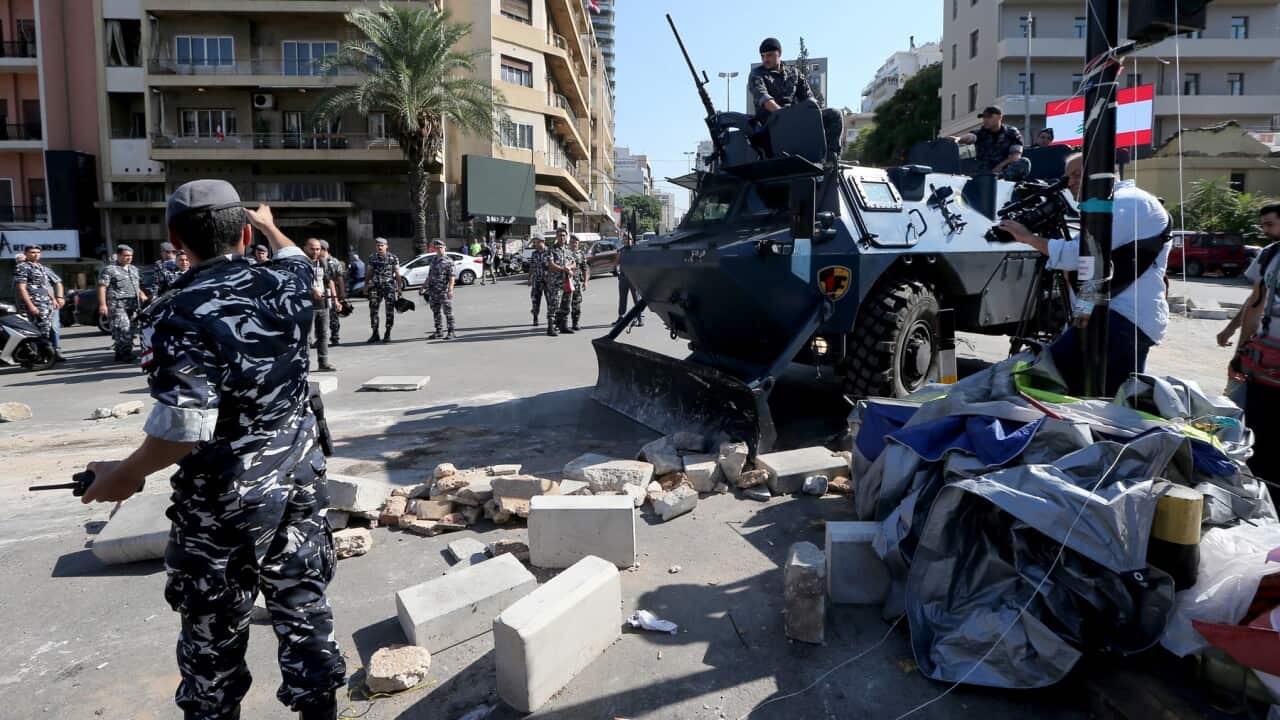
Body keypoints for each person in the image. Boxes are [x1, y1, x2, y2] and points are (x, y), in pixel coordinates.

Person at [78, 181, 345, 720]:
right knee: (303, 607)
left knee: (213, 637)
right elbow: (294, 255)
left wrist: (124, 474)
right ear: (245, 233)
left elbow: (183, 427)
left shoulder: (174, 311)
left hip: (226, 505)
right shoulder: (287, 282)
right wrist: (270, 224)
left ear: (175, 240)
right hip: (298, 482)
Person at [998, 153, 1171, 397]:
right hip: (1115, 318)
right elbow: (1088, 270)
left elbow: (1078, 255)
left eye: (1077, 174)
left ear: (1104, 173)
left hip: (1122, 319)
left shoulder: (1129, 202)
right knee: (1105, 400)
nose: (1071, 183)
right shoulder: (1118, 203)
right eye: (1068, 176)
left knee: (1048, 378)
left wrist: (1028, 238)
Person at [1225, 203, 1280, 488]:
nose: (1265, 231)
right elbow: (1254, 307)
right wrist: (1240, 354)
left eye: (1270, 224)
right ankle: (1263, 493)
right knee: (1258, 430)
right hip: (1265, 362)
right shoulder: (1270, 255)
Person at [747, 37, 842, 163]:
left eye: (769, 55)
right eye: (763, 56)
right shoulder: (757, 74)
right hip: (772, 123)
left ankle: (831, 158)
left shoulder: (794, 73)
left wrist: (811, 115)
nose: (765, 59)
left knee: (834, 114)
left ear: (779, 53)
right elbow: (764, 99)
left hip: (795, 118)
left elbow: (810, 99)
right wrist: (784, 115)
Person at [13, 245, 65, 359]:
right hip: (35, 303)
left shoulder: (40, 267)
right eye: (32, 252)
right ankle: (37, 356)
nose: (36, 254)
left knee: (48, 330)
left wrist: (53, 299)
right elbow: (21, 288)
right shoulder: (22, 267)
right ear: (26, 253)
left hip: (46, 303)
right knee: (37, 331)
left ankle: (50, 354)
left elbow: (45, 286)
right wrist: (30, 305)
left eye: (38, 252)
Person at [98, 244, 148, 362]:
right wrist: (102, 304)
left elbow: (136, 285)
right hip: (117, 305)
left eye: (130, 256)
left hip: (134, 305)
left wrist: (142, 295)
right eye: (126, 255)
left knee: (131, 328)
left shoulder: (134, 269)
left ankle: (121, 353)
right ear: (119, 255)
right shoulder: (110, 269)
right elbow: (102, 287)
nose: (129, 258)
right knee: (122, 328)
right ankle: (125, 352)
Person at [951, 106, 1030, 180]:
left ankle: (996, 178)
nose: (985, 120)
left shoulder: (1012, 133)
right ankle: (988, 179)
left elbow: (1015, 156)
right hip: (984, 171)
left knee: (1024, 162)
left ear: (999, 117)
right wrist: (959, 139)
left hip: (1004, 172)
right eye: (984, 117)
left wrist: (999, 167)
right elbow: (971, 138)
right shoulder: (980, 133)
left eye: (989, 117)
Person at [304, 238, 338, 372]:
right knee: (306, 337)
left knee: (323, 335)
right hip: (306, 305)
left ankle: (323, 363)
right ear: (305, 248)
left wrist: (336, 300)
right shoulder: (301, 263)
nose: (315, 251)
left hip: (323, 304)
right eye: (312, 248)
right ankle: (304, 365)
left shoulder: (322, 262)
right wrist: (312, 290)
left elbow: (329, 281)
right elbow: (298, 281)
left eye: (318, 249)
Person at [365, 237, 400, 343]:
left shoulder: (393, 258)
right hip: (375, 287)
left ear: (386, 246)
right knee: (373, 310)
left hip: (389, 287)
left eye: (382, 245)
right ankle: (375, 333)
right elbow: (369, 272)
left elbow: (397, 273)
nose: (380, 247)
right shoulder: (372, 257)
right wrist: (366, 285)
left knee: (389, 311)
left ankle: (387, 333)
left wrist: (399, 287)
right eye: (378, 245)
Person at [421, 239, 457, 340]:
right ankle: (439, 331)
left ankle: (451, 331)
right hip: (433, 291)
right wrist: (424, 286)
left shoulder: (448, 261)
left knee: (448, 312)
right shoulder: (433, 260)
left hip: (443, 291)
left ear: (445, 248)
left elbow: (452, 277)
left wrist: (450, 289)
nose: (439, 250)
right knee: (436, 312)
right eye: (437, 248)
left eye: (441, 248)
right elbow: (430, 275)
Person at [546, 228, 576, 336]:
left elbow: (574, 264)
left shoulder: (568, 250)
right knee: (554, 305)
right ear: (556, 237)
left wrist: (569, 268)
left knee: (566, 304)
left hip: (567, 282)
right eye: (560, 235)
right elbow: (551, 265)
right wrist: (563, 268)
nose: (562, 237)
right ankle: (550, 328)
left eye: (564, 235)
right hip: (556, 283)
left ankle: (564, 326)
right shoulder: (551, 250)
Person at [319, 240, 345, 345]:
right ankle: (321, 338)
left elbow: (340, 278)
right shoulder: (317, 261)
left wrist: (342, 293)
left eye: (318, 249)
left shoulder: (334, 262)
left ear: (324, 249)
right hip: (320, 291)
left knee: (333, 315)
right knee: (321, 315)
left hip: (332, 291)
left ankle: (335, 337)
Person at [562, 234, 590, 332]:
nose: (574, 244)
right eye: (572, 242)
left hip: (577, 283)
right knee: (565, 304)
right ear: (569, 243)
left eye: (576, 243)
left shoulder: (581, 254)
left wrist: (586, 282)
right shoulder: (565, 252)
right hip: (566, 282)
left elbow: (585, 269)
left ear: (578, 244)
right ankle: (563, 325)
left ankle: (575, 323)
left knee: (576, 304)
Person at [617, 234, 642, 327]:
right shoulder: (621, 250)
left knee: (637, 299)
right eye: (624, 239)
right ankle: (621, 317)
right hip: (623, 277)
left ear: (631, 240)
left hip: (633, 278)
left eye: (627, 239)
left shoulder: (636, 250)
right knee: (622, 298)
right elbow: (616, 262)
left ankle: (640, 318)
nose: (626, 241)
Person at [528, 236, 548, 326]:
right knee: (535, 300)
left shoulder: (550, 252)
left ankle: (552, 319)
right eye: (535, 242)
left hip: (548, 281)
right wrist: (529, 278)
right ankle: (535, 318)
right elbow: (532, 266)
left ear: (543, 241)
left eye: (537, 242)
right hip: (537, 280)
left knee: (550, 301)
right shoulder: (534, 254)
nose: (535, 244)